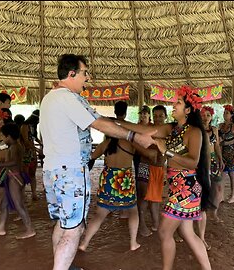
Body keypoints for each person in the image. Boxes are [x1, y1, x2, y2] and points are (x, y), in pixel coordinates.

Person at [39, 54, 155, 270]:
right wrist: (134, 136)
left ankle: (63, 265)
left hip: (52, 170)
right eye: (84, 73)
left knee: (64, 224)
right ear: (71, 73)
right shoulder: (67, 98)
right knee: (74, 229)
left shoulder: (50, 98)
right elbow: (98, 123)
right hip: (70, 172)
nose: (87, 78)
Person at [117, 86, 212, 270]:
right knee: (187, 232)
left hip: (187, 188)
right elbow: (142, 129)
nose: (173, 105)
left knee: (164, 231)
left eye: (178, 102)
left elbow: (193, 162)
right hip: (178, 187)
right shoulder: (171, 128)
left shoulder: (195, 132)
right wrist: (116, 122)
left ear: (187, 110)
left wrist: (165, 150)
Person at [78, 121, 157, 252]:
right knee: (133, 211)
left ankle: (84, 243)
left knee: (100, 214)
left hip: (108, 178)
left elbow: (91, 156)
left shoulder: (106, 144)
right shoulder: (129, 142)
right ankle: (133, 243)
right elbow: (149, 154)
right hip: (123, 179)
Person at [0, 123, 35, 239]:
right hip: (11, 176)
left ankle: (30, 229)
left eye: (3, 136)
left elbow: (14, 162)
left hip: (15, 178)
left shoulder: (15, 147)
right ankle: (1, 228)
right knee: (4, 204)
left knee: (19, 205)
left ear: (8, 136)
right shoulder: (13, 146)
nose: (1, 138)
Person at [198, 105, 224, 251]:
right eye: (203, 115)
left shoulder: (214, 130)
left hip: (213, 160)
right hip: (202, 161)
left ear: (212, 117)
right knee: (202, 188)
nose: (205, 117)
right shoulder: (197, 130)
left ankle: (213, 211)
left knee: (218, 187)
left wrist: (220, 159)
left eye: (208, 115)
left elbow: (217, 146)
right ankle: (202, 210)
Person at [144, 105, 168, 232]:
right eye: (156, 116)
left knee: (156, 198)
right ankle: (156, 225)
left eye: (161, 116)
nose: (158, 119)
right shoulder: (149, 130)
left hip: (161, 169)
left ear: (166, 117)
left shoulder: (169, 131)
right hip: (150, 168)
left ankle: (156, 223)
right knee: (154, 199)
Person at [134, 105, 154, 237]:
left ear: (149, 116)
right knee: (143, 192)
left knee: (151, 192)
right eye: (141, 114)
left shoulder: (153, 128)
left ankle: (150, 221)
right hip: (140, 160)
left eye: (145, 114)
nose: (143, 116)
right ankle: (141, 223)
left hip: (153, 162)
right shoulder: (136, 128)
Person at [218, 104, 234, 204]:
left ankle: (233, 195)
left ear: (231, 115)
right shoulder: (220, 126)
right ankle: (221, 195)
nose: (224, 114)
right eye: (224, 113)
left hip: (231, 153)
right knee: (222, 174)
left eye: (227, 113)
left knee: (232, 174)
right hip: (221, 152)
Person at [20, 111, 42, 201]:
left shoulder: (33, 127)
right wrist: (37, 150)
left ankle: (34, 193)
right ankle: (22, 194)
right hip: (25, 153)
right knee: (24, 174)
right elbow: (26, 141)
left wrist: (40, 143)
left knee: (32, 173)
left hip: (32, 153)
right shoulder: (25, 126)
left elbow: (34, 138)